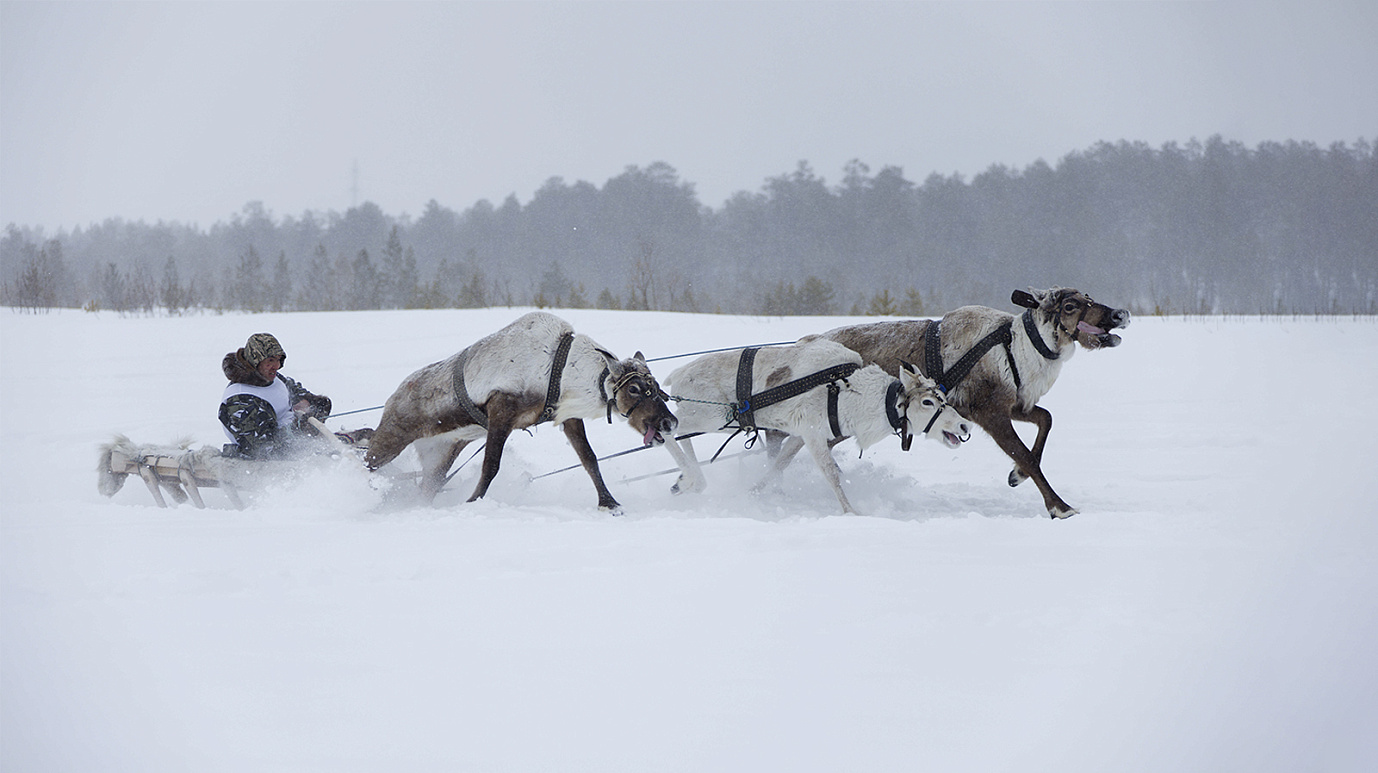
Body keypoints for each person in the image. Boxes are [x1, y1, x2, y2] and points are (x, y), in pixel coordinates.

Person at [219, 333, 332, 459]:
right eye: (270, 360)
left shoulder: (271, 377)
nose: (277, 366)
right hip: (264, 465)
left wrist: (308, 403)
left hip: (296, 445)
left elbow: (300, 393)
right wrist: (299, 428)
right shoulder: (241, 400)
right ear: (255, 361)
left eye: (279, 360)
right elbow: (263, 449)